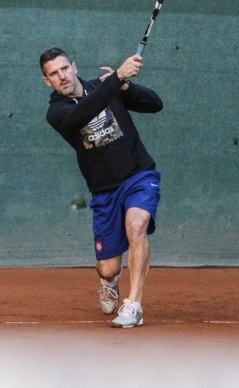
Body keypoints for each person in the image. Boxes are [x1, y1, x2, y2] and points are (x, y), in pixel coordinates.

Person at [39, 47, 163, 328]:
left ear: (74, 66)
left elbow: (155, 104)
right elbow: (81, 114)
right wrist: (116, 79)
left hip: (138, 175)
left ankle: (133, 305)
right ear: (47, 81)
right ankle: (110, 282)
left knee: (137, 226)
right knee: (108, 267)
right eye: (54, 74)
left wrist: (126, 86)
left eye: (64, 68)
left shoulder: (105, 86)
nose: (62, 76)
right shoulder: (56, 112)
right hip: (104, 191)